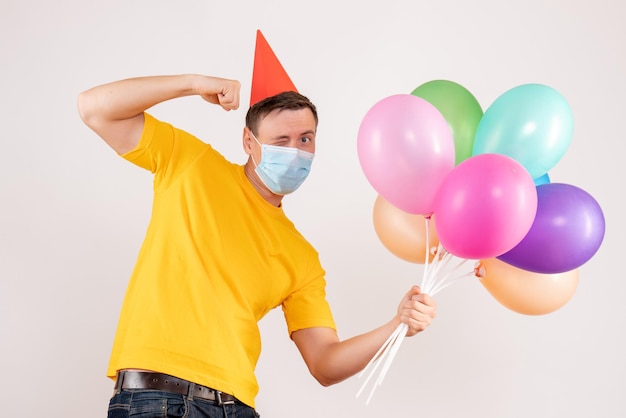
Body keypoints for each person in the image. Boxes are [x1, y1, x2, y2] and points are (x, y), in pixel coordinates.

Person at [77, 73, 437, 417]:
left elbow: (325, 364)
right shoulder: (191, 164)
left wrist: (397, 325)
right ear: (249, 142)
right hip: (160, 398)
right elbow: (94, 107)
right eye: (281, 140)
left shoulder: (301, 257)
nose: (296, 151)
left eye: (305, 139)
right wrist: (194, 84)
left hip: (237, 406)